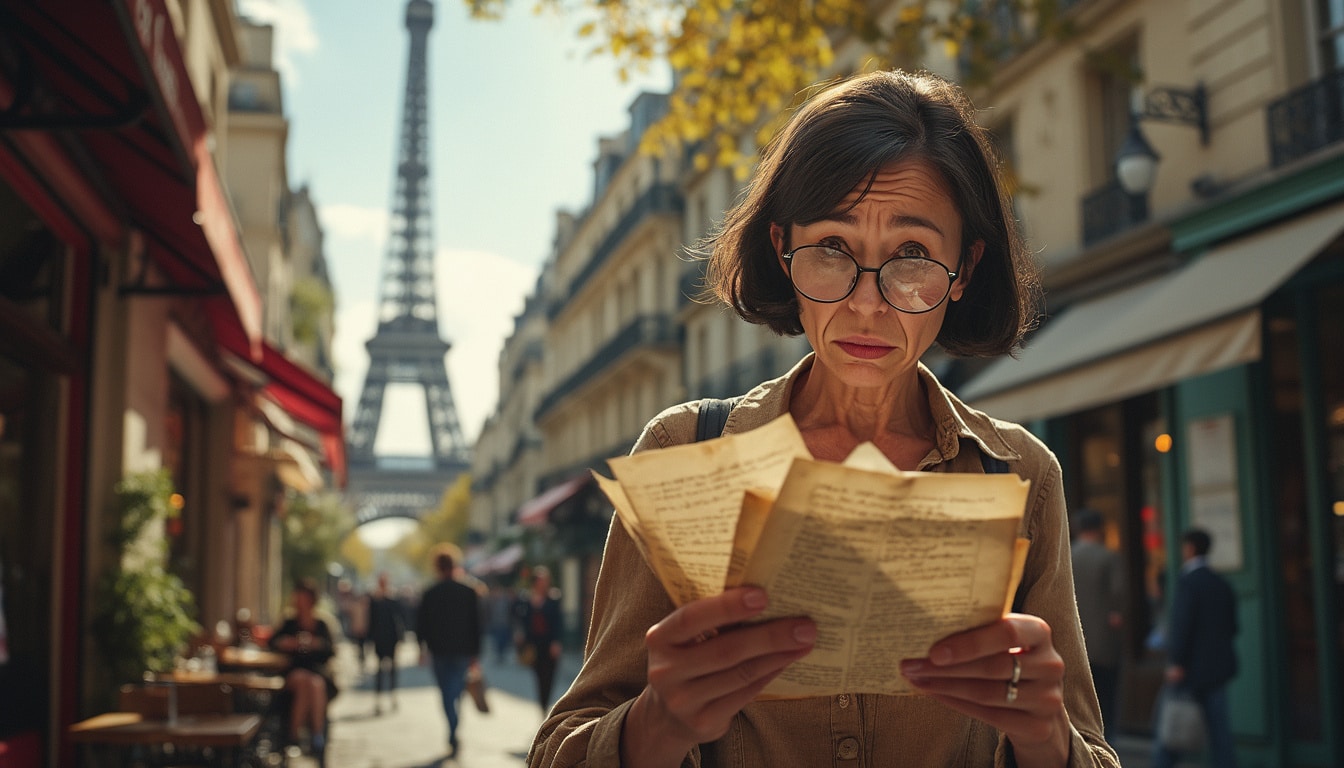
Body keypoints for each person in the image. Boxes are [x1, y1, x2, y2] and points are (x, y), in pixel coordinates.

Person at [527, 69, 1119, 768]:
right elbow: (558, 751)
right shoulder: (684, 451)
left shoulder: (1022, 474)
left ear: (964, 270)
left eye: (913, 256)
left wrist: (1046, 735)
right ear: (783, 247)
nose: (867, 304)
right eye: (834, 248)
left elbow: (1088, 752)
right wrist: (656, 722)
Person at [1151, 528, 1238, 768]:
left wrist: (1177, 662)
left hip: (1189, 669)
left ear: (1189, 549)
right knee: (1220, 734)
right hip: (1217, 669)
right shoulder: (1220, 583)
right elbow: (1232, 626)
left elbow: (1182, 626)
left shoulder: (1188, 582)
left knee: (1172, 729)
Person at [416, 543, 482, 758]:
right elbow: (477, 625)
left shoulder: (430, 593)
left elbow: (421, 625)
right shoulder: (468, 592)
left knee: (446, 692)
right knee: (455, 690)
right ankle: (454, 727)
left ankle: (452, 727)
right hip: (462, 651)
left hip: (439, 651)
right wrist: (475, 654)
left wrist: (421, 648)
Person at [1070, 508, 1125, 742]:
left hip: (1072, 639)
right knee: (1106, 701)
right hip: (1103, 643)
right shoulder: (1108, 557)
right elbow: (1118, 594)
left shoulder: (1066, 555)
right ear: (1100, 529)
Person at [269, 579, 337, 759]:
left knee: (313, 683)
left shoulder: (321, 624)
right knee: (304, 679)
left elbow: (330, 650)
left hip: (316, 673)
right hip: (294, 671)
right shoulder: (289, 622)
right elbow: (273, 642)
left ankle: (296, 736)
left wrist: (316, 644)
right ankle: (315, 737)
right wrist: (288, 643)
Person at [517, 565, 564, 711]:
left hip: (549, 644)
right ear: (535, 583)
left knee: (549, 676)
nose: (544, 584)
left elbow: (558, 622)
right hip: (534, 644)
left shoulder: (553, 598)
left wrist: (557, 642)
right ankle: (542, 705)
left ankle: (545, 702)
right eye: (541, 581)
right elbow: (521, 619)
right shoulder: (526, 600)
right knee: (539, 675)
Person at [367, 571, 405, 715]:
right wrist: (369, 638)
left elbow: (399, 619)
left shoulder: (392, 599)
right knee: (379, 670)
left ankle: (393, 696)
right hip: (379, 638)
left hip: (391, 638)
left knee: (392, 669)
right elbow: (371, 620)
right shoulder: (374, 600)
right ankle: (378, 699)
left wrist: (400, 638)